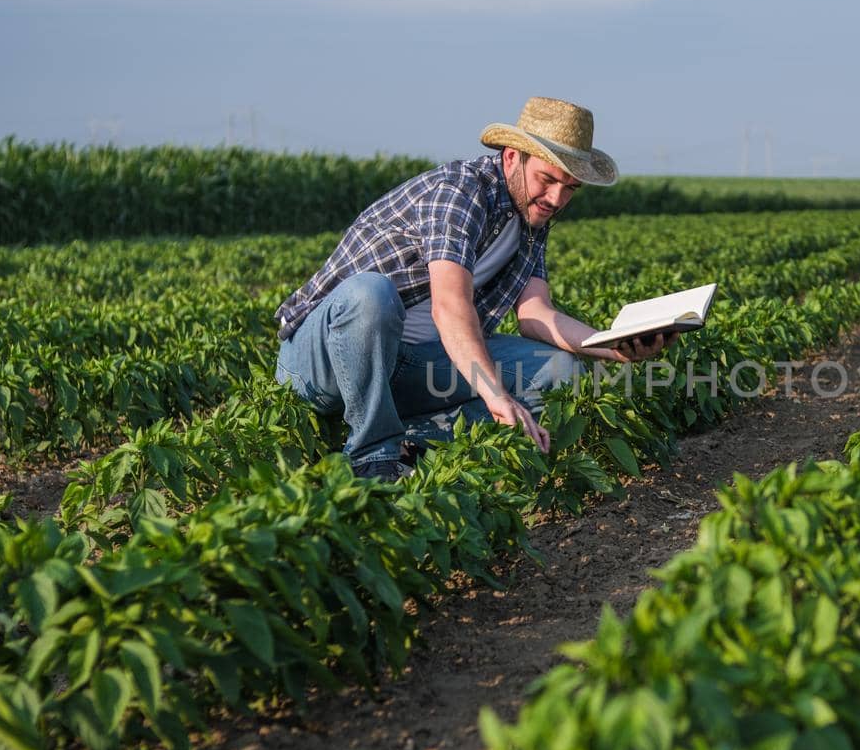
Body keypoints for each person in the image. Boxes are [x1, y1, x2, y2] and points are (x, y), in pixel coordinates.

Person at [274, 97, 672, 481]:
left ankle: (412, 444)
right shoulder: (459, 194)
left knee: (561, 372)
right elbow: (449, 305)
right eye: (548, 180)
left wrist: (613, 345)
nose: (556, 198)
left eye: (570, 188)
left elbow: (535, 315)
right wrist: (495, 394)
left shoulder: (531, 221)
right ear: (512, 157)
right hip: (323, 361)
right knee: (371, 294)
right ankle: (372, 456)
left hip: (406, 367)